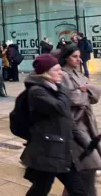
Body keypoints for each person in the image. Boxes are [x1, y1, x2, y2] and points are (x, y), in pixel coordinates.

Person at [21, 54, 88, 196]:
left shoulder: (54, 88)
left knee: (43, 188)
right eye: (56, 70)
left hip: (60, 150)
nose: (61, 73)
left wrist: (85, 142)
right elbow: (60, 107)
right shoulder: (37, 91)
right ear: (46, 72)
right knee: (43, 188)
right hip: (48, 151)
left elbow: (67, 120)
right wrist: (63, 88)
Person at [59, 45, 101, 196]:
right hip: (75, 126)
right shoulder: (62, 75)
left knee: (84, 170)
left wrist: (87, 90)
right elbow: (71, 98)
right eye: (74, 56)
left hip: (87, 124)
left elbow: (95, 94)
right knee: (89, 165)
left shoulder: (78, 72)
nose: (78, 59)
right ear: (66, 57)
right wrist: (85, 92)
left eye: (79, 56)